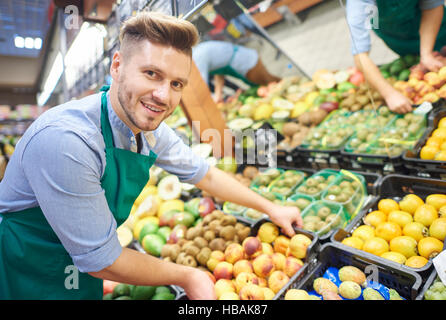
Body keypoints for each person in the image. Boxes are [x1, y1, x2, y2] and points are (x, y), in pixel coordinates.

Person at [0, 12, 302, 300]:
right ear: (117, 66)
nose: (163, 96)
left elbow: (205, 174)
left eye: (176, 84)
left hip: (80, 269)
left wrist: (271, 207)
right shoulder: (68, 141)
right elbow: (101, 261)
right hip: (27, 269)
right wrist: (187, 276)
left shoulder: (147, 129)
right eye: (151, 74)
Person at [346, 0, 446, 114]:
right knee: (413, 63)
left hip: (437, 29)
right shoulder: (359, 3)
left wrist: (426, 54)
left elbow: (432, 6)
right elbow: (360, 55)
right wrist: (389, 94)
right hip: (398, 38)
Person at [192, 40, 281, 102]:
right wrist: (218, 94)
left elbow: (202, 87)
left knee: (273, 86)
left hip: (248, 63)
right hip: (245, 64)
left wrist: (214, 98)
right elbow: (219, 74)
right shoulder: (199, 52)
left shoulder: (197, 58)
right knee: (267, 89)